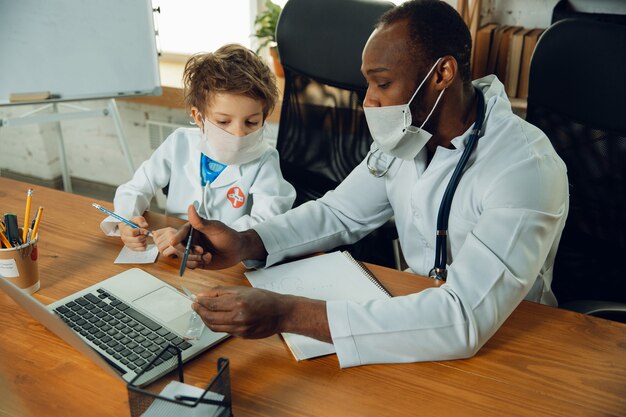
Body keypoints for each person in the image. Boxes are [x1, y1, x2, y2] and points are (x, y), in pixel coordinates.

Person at [172, 0, 569, 368]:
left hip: (509, 341)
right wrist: (245, 241)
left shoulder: (523, 169)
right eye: (368, 85)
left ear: (441, 75)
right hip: (414, 309)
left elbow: (463, 317)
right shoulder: (411, 135)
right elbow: (339, 211)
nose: (369, 102)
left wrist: (288, 313)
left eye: (382, 83)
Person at [100, 44, 295, 257]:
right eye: (223, 121)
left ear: (264, 118)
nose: (238, 133)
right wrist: (126, 222)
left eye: (251, 122)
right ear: (198, 116)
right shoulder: (180, 142)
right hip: (172, 252)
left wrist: (200, 238)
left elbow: (267, 222)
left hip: (229, 259)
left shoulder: (265, 159)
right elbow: (136, 188)